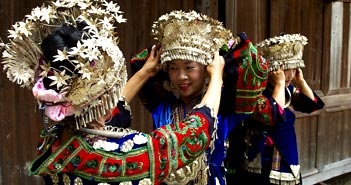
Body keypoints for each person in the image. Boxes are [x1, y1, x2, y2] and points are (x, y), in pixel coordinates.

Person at [0, 1, 224, 185]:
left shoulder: (55, 139)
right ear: (103, 99)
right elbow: (194, 135)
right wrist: (216, 78)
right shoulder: (118, 155)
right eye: (114, 90)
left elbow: (108, 113)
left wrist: (144, 73)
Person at [130, 10, 269, 185]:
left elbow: (253, 64)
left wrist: (218, 71)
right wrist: (148, 69)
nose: (181, 77)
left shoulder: (223, 108)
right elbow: (139, 65)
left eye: (189, 67)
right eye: (173, 68)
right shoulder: (162, 106)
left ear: (207, 69)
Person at [225, 33, 325, 185]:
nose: (290, 75)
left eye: (294, 69)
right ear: (273, 69)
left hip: (286, 154)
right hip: (261, 159)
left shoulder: (288, 90)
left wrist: (301, 81)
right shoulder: (256, 92)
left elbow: (312, 106)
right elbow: (273, 115)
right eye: (285, 69)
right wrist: (279, 84)